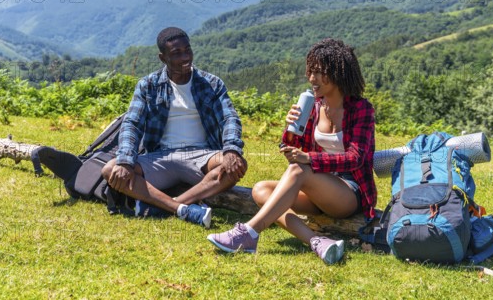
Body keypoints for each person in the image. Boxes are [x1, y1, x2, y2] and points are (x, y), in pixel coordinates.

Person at [207, 38, 376, 264]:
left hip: (349, 191)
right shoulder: (315, 106)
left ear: (337, 73)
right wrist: (290, 129)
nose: (311, 79)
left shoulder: (361, 109)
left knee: (300, 170)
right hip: (318, 187)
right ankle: (317, 242)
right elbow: (293, 148)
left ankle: (248, 233)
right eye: (310, 71)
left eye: (318, 72)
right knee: (260, 190)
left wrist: (309, 158)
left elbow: (356, 158)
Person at [101, 27, 247, 228]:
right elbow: (131, 124)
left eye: (188, 50)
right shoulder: (148, 85)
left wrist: (231, 149)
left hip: (202, 156)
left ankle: (167, 206)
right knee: (110, 169)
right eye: (176, 54)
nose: (185, 57)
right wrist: (125, 161)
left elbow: (229, 118)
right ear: (163, 58)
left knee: (237, 166)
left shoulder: (211, 83)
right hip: (161, 157)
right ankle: (182, 209)